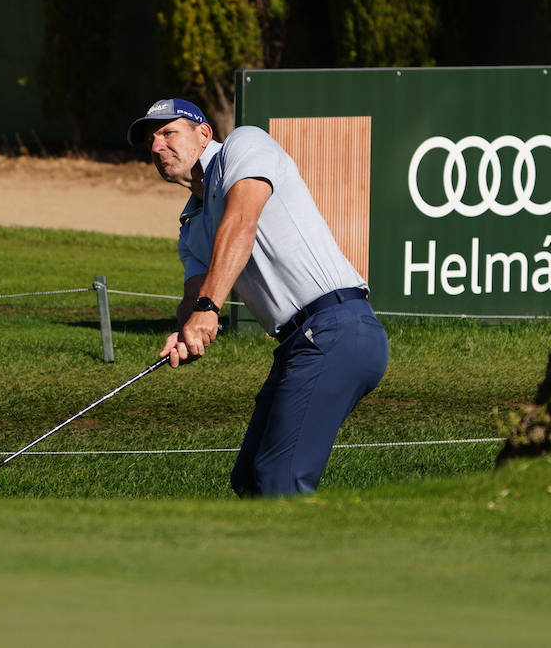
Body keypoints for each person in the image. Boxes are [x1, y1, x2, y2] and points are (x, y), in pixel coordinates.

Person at [126, 98, 389, 496]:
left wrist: (208, 309)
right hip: (299, 344)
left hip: (339, 328)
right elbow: (195, 293)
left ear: (203, 134)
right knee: (249, 479)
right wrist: (185, 332)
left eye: (168, 133)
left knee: (278, 482)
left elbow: (241, 221)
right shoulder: (190, 224)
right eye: (151, 140)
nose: (157, 146)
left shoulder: (245, 144)